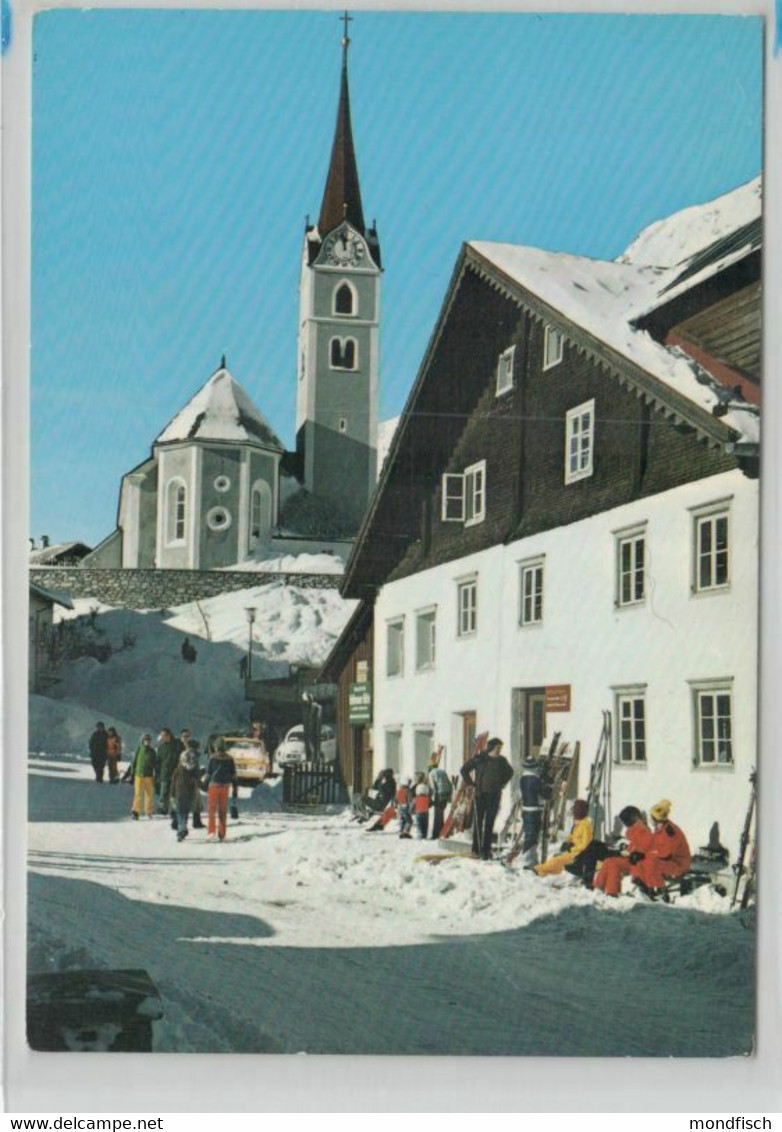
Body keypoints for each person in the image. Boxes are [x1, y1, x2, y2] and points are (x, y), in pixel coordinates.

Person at [461, 737, 513, 860]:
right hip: (480, 795)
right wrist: (471, 784)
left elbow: (510, 772)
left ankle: (486, 850)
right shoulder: (480, 759)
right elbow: (464, 770)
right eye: (498, 748)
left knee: (489, 823)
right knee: (478, 822)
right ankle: (476, 850)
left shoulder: (501, 760)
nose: (499, 750)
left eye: (500, 748)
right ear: (491, 748)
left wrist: (502, 782)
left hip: (494, 796)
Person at [630, 799, 691, 898]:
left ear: (656, 819)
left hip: (679, 864)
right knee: (639, 860)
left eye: (651, 817)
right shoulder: (660, 828)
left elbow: (666, 853)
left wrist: (645, 855)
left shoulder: (669, 831)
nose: (650, 820)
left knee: (651, 862)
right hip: (669, 861)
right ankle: (642, 884)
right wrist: (639, 852)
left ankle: (661, 891)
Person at [593, 806, 653, 897]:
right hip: (632, 858)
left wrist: (629, 851)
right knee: (608, 861)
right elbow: (634, 844)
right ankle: (598, 887)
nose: (625, 825)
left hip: (638, 863)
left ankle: (612, 892)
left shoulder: (642, 829)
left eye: (626, 822)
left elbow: (643, 849)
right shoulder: (638, 828)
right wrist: (626, 848)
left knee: (614, 863)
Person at [534, 799, 593, 877]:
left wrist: (572, 848)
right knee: (556, 861)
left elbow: (585, 845)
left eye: (576, 810)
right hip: (572, 852)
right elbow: (573, 836)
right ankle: (542, 872)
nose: (574, 812)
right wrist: (568, 842)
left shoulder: (586, 825)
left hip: (578, 855)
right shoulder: (578, 824)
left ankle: (538, 869)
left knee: (556, 861)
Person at [203, 737, 237, 842]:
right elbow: (233, 775)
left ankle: (211, 831)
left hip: (214, 786)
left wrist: (205, 784)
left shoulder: (212, 758)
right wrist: (235, 787)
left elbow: (208, 773)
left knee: (212, 809)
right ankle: (222, 833)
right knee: (222, 811)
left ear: (216, 747)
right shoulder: (230, 759)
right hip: (225, 786)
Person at [171, 741, 202, 842]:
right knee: (185, 811)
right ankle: (182, 828)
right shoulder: (193, 771)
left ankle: (181, 829)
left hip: (179, 792)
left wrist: (172, 793)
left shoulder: (178, 769)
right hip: (190, 792)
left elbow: (173, 781)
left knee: (180, 811)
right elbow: (197, 779)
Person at [520, 754, 543, 867]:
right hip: (534, 810)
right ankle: (529, 860)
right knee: (533, 835)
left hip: (525, 809)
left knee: (528, 834)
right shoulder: (535, 779)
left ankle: (530, 859)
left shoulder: (523, 778)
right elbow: (544, 794)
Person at [129, 734, 157, 820]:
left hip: (149, 776)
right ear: (142, 741)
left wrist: (156, 775)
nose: (147, 741)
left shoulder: (152, 751)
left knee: (149, 794)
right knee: (138, 794)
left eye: (148, 740)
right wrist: (132, 773)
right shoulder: (139, 749)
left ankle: (148, 811)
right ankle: (136, 811)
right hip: (139, 775)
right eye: (145, 740)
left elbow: (155, 764)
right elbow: (134, 761)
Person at [428, 746, 453, 840]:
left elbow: (433, 786)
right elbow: (449, 783)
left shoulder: (431, 773)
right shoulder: (442, 771)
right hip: (446, 793)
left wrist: (432, 797)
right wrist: (450, 794)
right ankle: (442, 830)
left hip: (439, 793)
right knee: (441, 812)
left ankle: (436, 833)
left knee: (437, 814)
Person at [155, 728, 180, 816]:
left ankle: (174, 810)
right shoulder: (161, 747)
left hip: (176, 773)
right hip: (164, 773)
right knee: (163, 792)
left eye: (165, 735)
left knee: (174, 792)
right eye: (162, 736)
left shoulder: (177, 744)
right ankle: (163, 808)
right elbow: (158, 761)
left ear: (169, 735)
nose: (163, 737)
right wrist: (157, 773)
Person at [413, 772, 431, 839]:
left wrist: (411, 810)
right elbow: (430, 804)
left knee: (419, 824)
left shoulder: (416, 798)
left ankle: (420, 834)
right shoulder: (427, 798)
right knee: (425, 824)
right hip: (425, 812)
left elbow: (413, 804)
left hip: (418, 812)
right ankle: (425, 834)